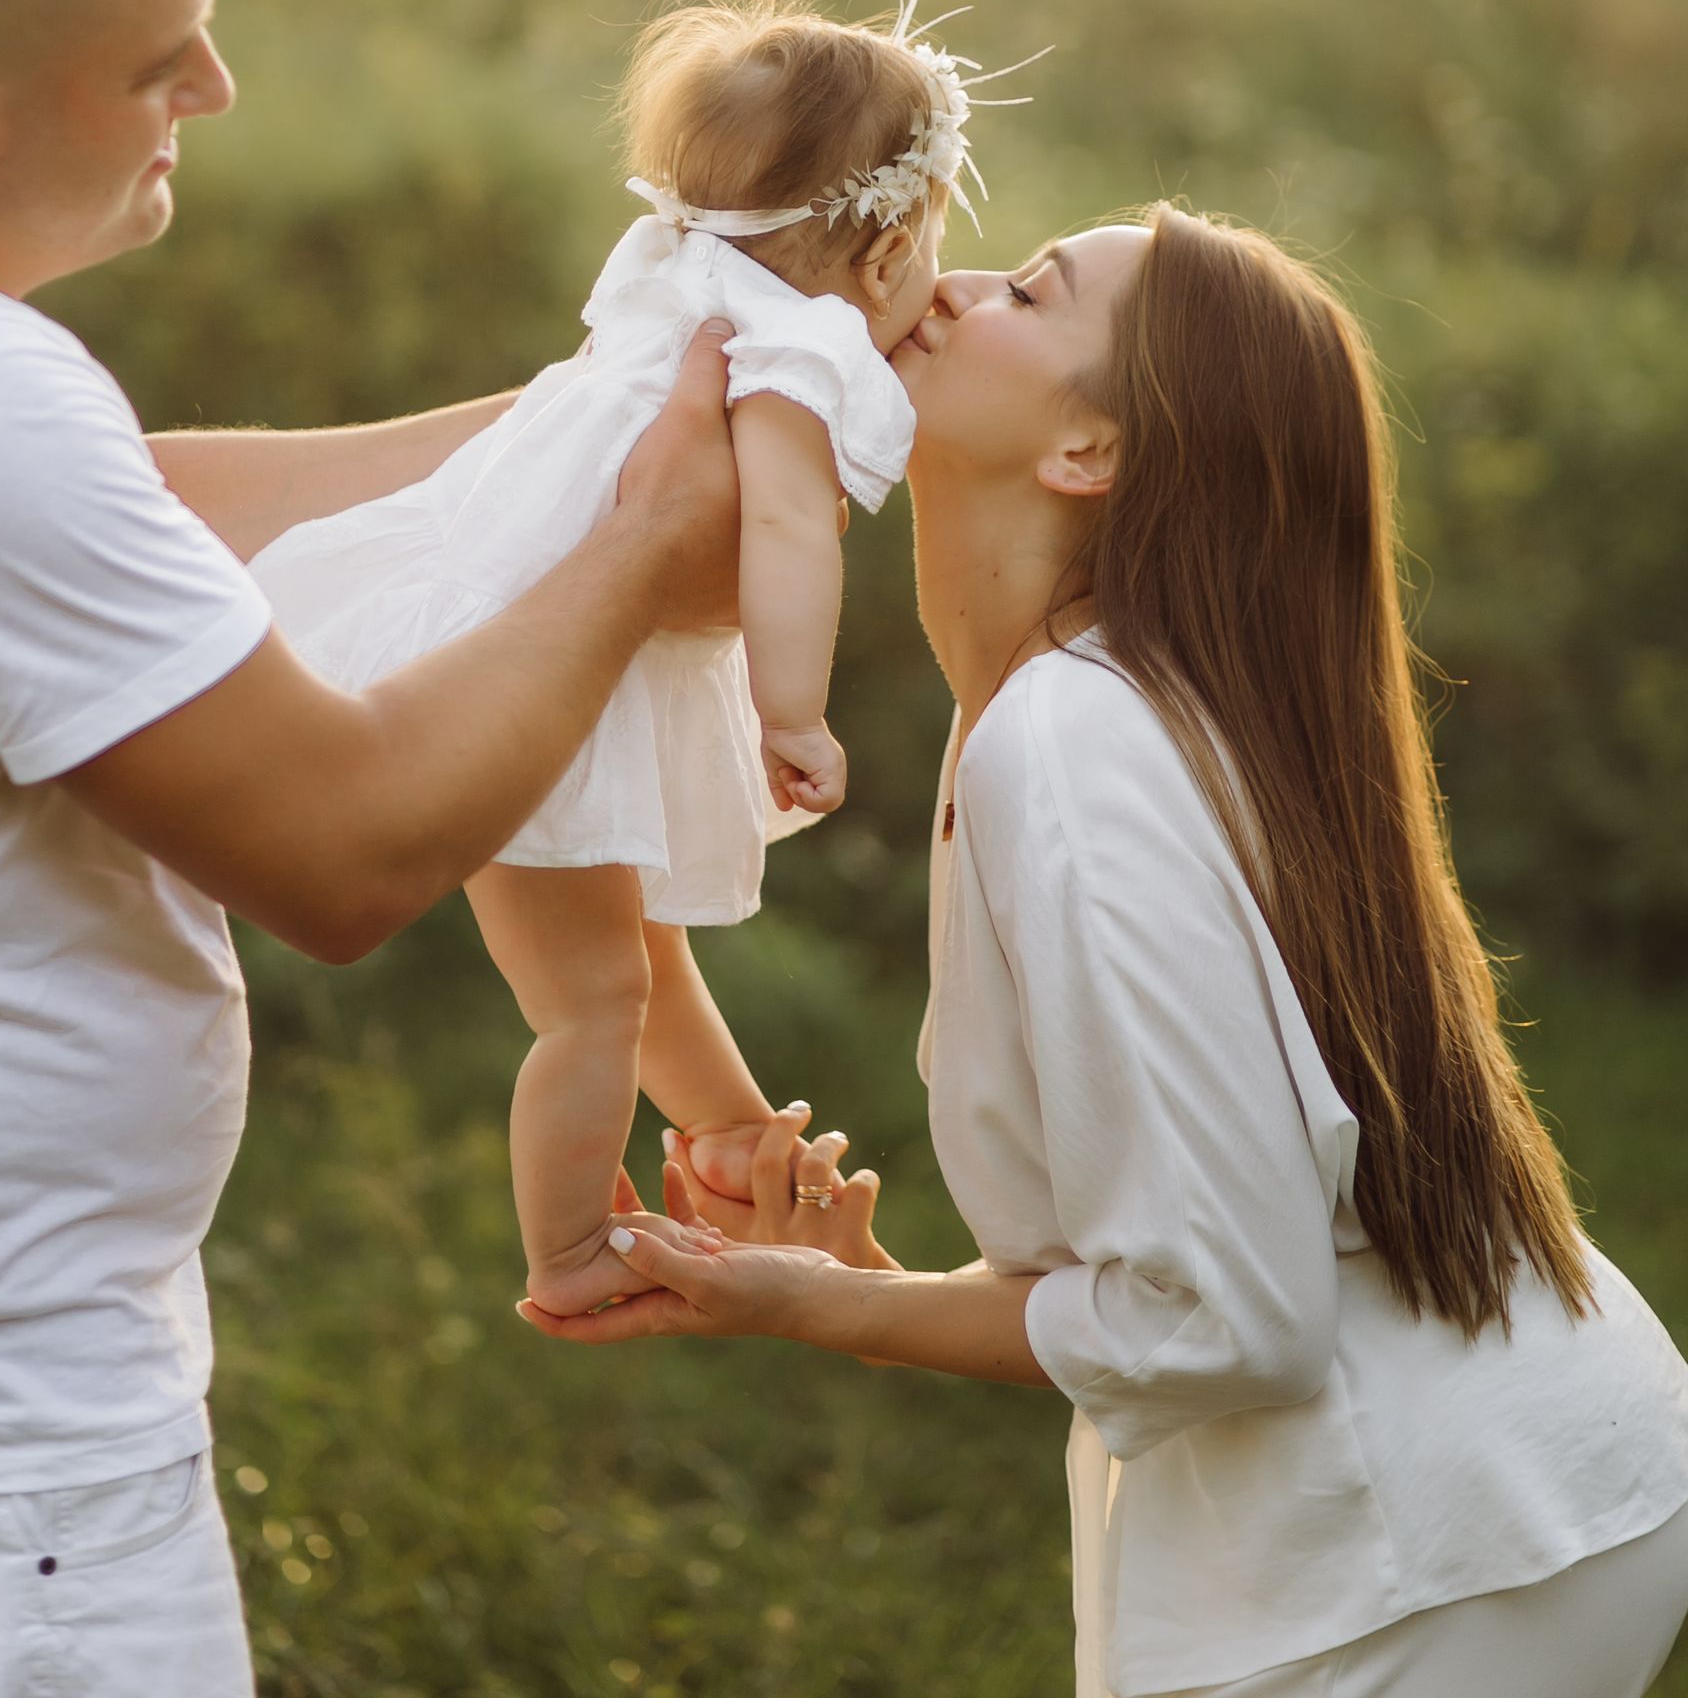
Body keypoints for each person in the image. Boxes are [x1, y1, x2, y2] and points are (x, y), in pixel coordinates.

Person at [0, 0, 739, 1697]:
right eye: (158, 62)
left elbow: (133, 519)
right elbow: (347, 848)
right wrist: (638, 553)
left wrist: (588, 436)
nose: (213, 89)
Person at [529, 206, 1688, 1698]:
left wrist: (822, 1306)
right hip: (1496, 1495)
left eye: (1025, 291)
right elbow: (1185, 1255)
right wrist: (871, 1287)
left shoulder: (1072, 745)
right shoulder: (1061, 708)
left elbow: (1230, 1311)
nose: (943, 290)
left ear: (1090, 450)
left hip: (1445, 1550)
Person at [253, 0, 1020, 1318]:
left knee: (630, 956)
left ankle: (721, 1124)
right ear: (890, 250)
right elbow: (784, 528)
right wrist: (792, 712)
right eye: (937, 251)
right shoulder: (803, 348)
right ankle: (564, 1253)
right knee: (595, 999)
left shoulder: (673, 275)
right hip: (557, 692)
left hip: (488, 654)